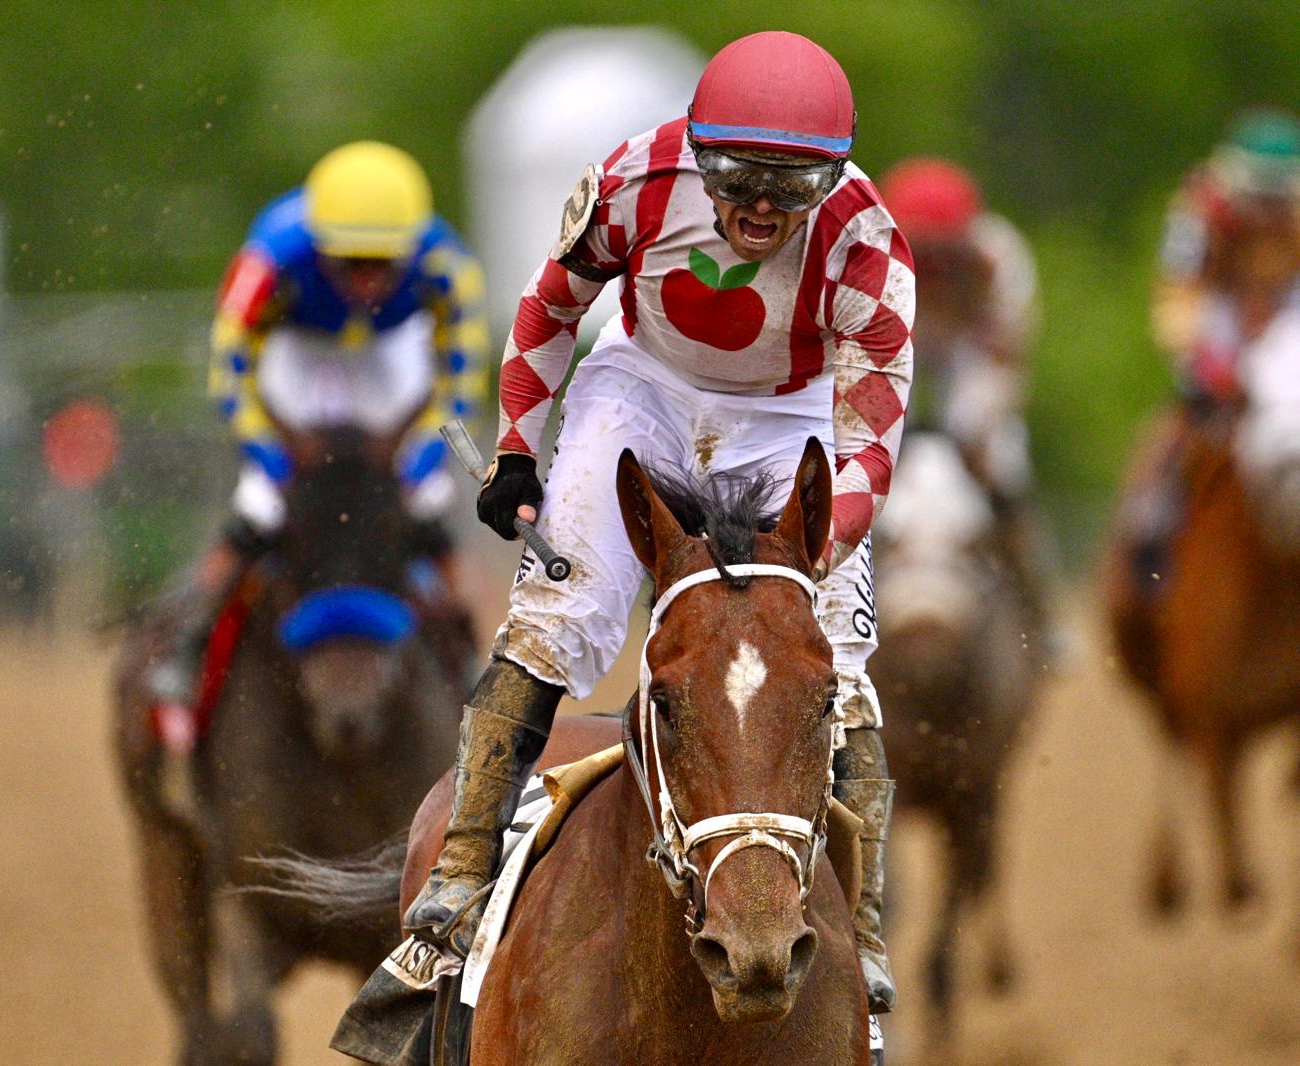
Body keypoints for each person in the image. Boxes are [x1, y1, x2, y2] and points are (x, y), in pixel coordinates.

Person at [404, 31, 914, 1016]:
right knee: (559, 612)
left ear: (831, 177)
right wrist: (515, 447)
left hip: (792, 415)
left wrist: (808, 565)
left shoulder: (868, 241)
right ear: (697, 150)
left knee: (838, 652)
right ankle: (462, 867)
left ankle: (871, 919)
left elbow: (870, 442)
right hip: (641, 388)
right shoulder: (635, 178)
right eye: (738, 177)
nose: (762, 206)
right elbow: (553, 306)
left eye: (790, 186)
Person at [146, 140, 488, 756]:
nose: (367, 280)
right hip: (297, 357)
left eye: (383, 263)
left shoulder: (450, 266)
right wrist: (273, 459)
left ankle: (473, 659)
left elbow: (459, 379)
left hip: (392, 359)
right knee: (262, 506)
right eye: (349, 262)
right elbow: (229, 370)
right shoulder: (270, 257)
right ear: (318, 243)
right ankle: (187, 644)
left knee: (427, 508)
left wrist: (420, 461)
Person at [878, 157, 1055, 650]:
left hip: (968, 347)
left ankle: (1037, 610)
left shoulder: (1001, 260)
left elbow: (1002, 359)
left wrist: (977, 433)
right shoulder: (868, 248)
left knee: (1002, 464)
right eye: (921, 247)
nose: (931, 263)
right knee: (860, 456)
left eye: (942, 250)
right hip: (898, 340)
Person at [1130, 108, 1300, 589]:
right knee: (1186, 425)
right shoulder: (1198, 212)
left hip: (1288, 305)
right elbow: (1178, 293)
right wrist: (1206, 360)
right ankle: (1153, 525)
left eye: (1276, 196)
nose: (1266, 209)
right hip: (1219, 306)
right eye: (1257, 195)